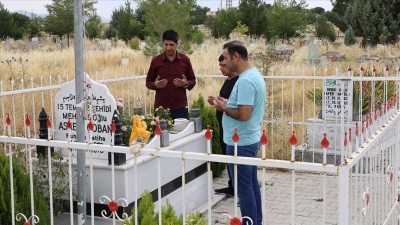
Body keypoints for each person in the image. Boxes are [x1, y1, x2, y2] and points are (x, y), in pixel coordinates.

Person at [212, 41, 266, 225]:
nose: (224, 63)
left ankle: (250, 222)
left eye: (226, 58)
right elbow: (243, 105)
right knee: (251, 185)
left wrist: (224, 109)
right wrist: (225, 102)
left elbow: (244, 114)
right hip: (248, 138)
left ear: (236, 56)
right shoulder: (253, 74)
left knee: (243, 189)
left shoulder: (245, 80)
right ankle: (256, 221)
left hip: (241, 142)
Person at [146, 29, 196, 120]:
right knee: (160, 134)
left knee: (181, 134)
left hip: (180, 107)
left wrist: (186, 83)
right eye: (166, 44)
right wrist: (155, 85)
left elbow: (193, 80)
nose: (168, 48)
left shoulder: (185, 60)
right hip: (161, 108)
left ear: (177, 44)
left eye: (171, 45)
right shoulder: (156, 61)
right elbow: (148, 82)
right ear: (162, 43)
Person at [207, 54, 239, 196]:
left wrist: (222, 104)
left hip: (234, 129)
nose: (221, 68)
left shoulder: (238, 82)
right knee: (228, 157)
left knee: (236, 159)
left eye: (224, 65)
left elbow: (236, 106)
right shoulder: (228, 81)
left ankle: (239, 189)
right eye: (219, 65)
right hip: (224, 126)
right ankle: (232, 186)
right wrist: (216, 101)